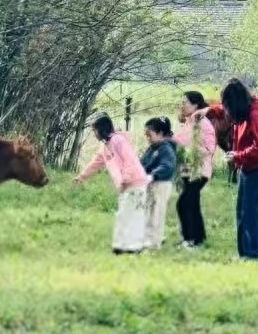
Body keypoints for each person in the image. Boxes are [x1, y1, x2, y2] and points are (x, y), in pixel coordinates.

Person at [74, 114, 152, 254]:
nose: (94, 134)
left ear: (102, 129)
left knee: (130, 214)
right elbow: (95, 163)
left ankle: (131, 247)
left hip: (135, 182)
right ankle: (125, 246)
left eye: (94, 130)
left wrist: (125, 179)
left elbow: (130, 160)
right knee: (126, 214)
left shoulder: (119, 140)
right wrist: (81, 177)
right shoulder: (105, 147)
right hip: (126, 184)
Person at [218, 79, 258, 260]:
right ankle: (244, 254)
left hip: (257, 170)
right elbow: (219, 109)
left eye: (228, 105)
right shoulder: (245, 113)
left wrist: (237, 156)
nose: (227, 110)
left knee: (250, 214)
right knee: (241, 212)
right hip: (247, 169)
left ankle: (251, 255)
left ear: (236, 102)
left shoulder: (256, 116)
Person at [174, 91, 216, 249]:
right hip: (187, 170)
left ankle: (190, 240)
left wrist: (189, 150)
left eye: (185, 102)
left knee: (184, 204)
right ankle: (198, 237)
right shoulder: (188, 123)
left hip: (199, 171)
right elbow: (180, 141)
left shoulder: (203, 123)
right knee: (192, 204)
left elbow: (209, 148)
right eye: (181, 102)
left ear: (196, 105)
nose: (182, 105)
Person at [139, 116, 177, 251]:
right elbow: (142, 163)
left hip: (161, 184)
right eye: (146, 135)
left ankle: (154, 243)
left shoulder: (166, 149)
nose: (147, 138)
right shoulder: (152, 148)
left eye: (149, 135)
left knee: (157, 214)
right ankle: (146, 239)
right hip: (150, 184)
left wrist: (154, 175)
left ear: (160, 133)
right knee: (148, 212)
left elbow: (167, 166)